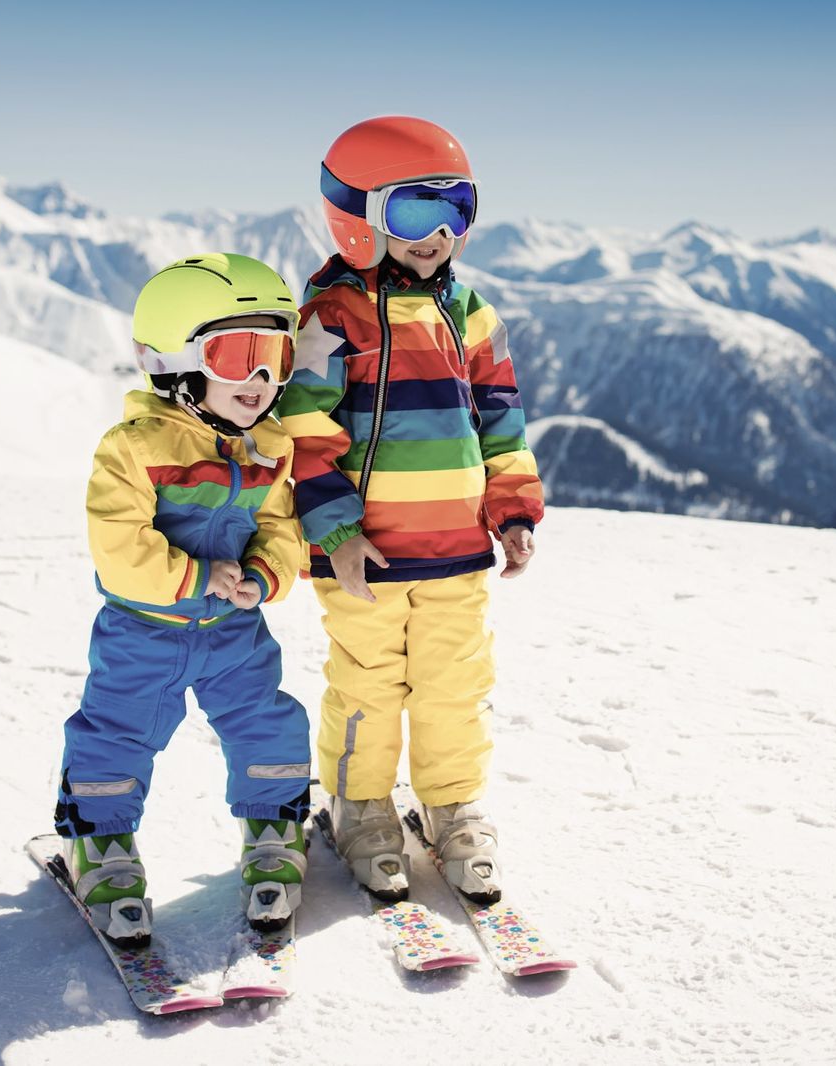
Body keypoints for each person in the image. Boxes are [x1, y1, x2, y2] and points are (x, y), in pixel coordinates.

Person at [278, 116, 544, 905]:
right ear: (357, 217)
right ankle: (360, 809)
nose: (435, 234)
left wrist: (514, 511)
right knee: (368, 686)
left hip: (456, 551)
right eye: (410, 212)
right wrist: (335, 529)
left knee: (453, 685)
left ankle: (452, 806)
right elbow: (305, 430)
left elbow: (502, 421)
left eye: (454, 209)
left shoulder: (471, 313)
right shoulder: (335, 316)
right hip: (365, 555)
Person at [52, 253, 311, 945]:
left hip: (235, 632)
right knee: (116, 736)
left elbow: (283, 528)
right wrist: (198, 576)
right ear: (173, 363)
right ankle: (100, 845)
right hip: (145, 632)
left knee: (268, 722)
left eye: (275, 356)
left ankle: (274, 828)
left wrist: (263, 574)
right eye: (237, 355)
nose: (260, 380)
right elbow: (120, 547)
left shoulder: (268, 448)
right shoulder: (133, 450)